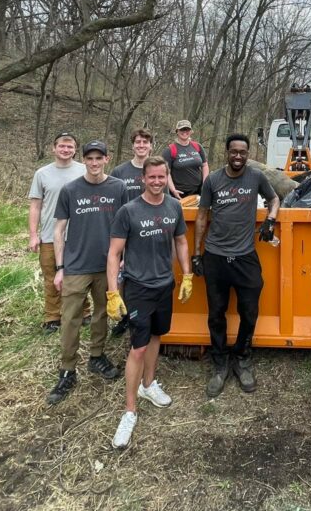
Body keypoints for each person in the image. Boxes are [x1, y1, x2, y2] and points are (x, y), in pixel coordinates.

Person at [106, 156, 193, 449]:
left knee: (157, 334)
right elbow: (113, 254)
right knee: (138, 347)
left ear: (166, 177)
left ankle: (148, 385)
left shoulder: (174, 206)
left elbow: (181, 241)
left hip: (164, 285)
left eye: (161, 177)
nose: (156, 182)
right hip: (138, 288)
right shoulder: (128, 211)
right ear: (143, 178)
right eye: (151, 177)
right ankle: (129, 411)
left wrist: (188, 275)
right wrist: (112, 292)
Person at [196, 133, 280, 397]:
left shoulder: (256, 177)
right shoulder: (213, 180)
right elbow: (201, 217)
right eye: (234, 151)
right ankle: (220, 364)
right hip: (216, 257)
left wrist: (270, 220)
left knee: (250, 312)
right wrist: (198, 253)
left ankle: (242, 359)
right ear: (226, 152)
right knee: (216, 314)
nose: (238, 156)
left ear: (248, 153)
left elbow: (274, 199)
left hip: (245, 257)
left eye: (243, 152)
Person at [46, 141, 130, 404]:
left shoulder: (119, 187)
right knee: (70, 318)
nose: (94, 163)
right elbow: (59, 231)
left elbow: (127, 226)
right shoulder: (71, 190)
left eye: (99, 158)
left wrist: (124, 259)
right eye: (89, 158)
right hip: (75, 265)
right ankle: (67, 370)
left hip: (107, 266)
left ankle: (97, 356)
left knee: (102, 313)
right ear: (84, 160)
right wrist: (60, 268)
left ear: (107, 158)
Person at [28, 131, 89, 332]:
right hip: (49, 235)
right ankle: (52, 316)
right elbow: (35, 206)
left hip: (78, 235)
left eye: (70, 146)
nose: (65, 149)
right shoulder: (42, 174)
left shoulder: (84, 170)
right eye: (61, 146)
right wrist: (33, 235)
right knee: (50, 276)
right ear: (54, 148)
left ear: (75, 150)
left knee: (79, 276)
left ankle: (84, 312)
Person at [165, 119, 209, 198]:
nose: (185, 132)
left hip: (198, 192)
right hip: (179, 193)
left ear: (191, 131)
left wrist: (205, 183)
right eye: (182, 129)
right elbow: (166, 172)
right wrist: (173, 190)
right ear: (177, 131)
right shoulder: (170, 150)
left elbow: (205, 165)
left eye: (187, 129)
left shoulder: (197, 146)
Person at [110, 128, 154, 197]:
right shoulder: (118, 172)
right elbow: (112, 199)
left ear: (151, 146)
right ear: (132, 146)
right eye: (138, 142)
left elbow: (165, 200)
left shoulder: (158, 171)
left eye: (145, 142)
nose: (141, 145)